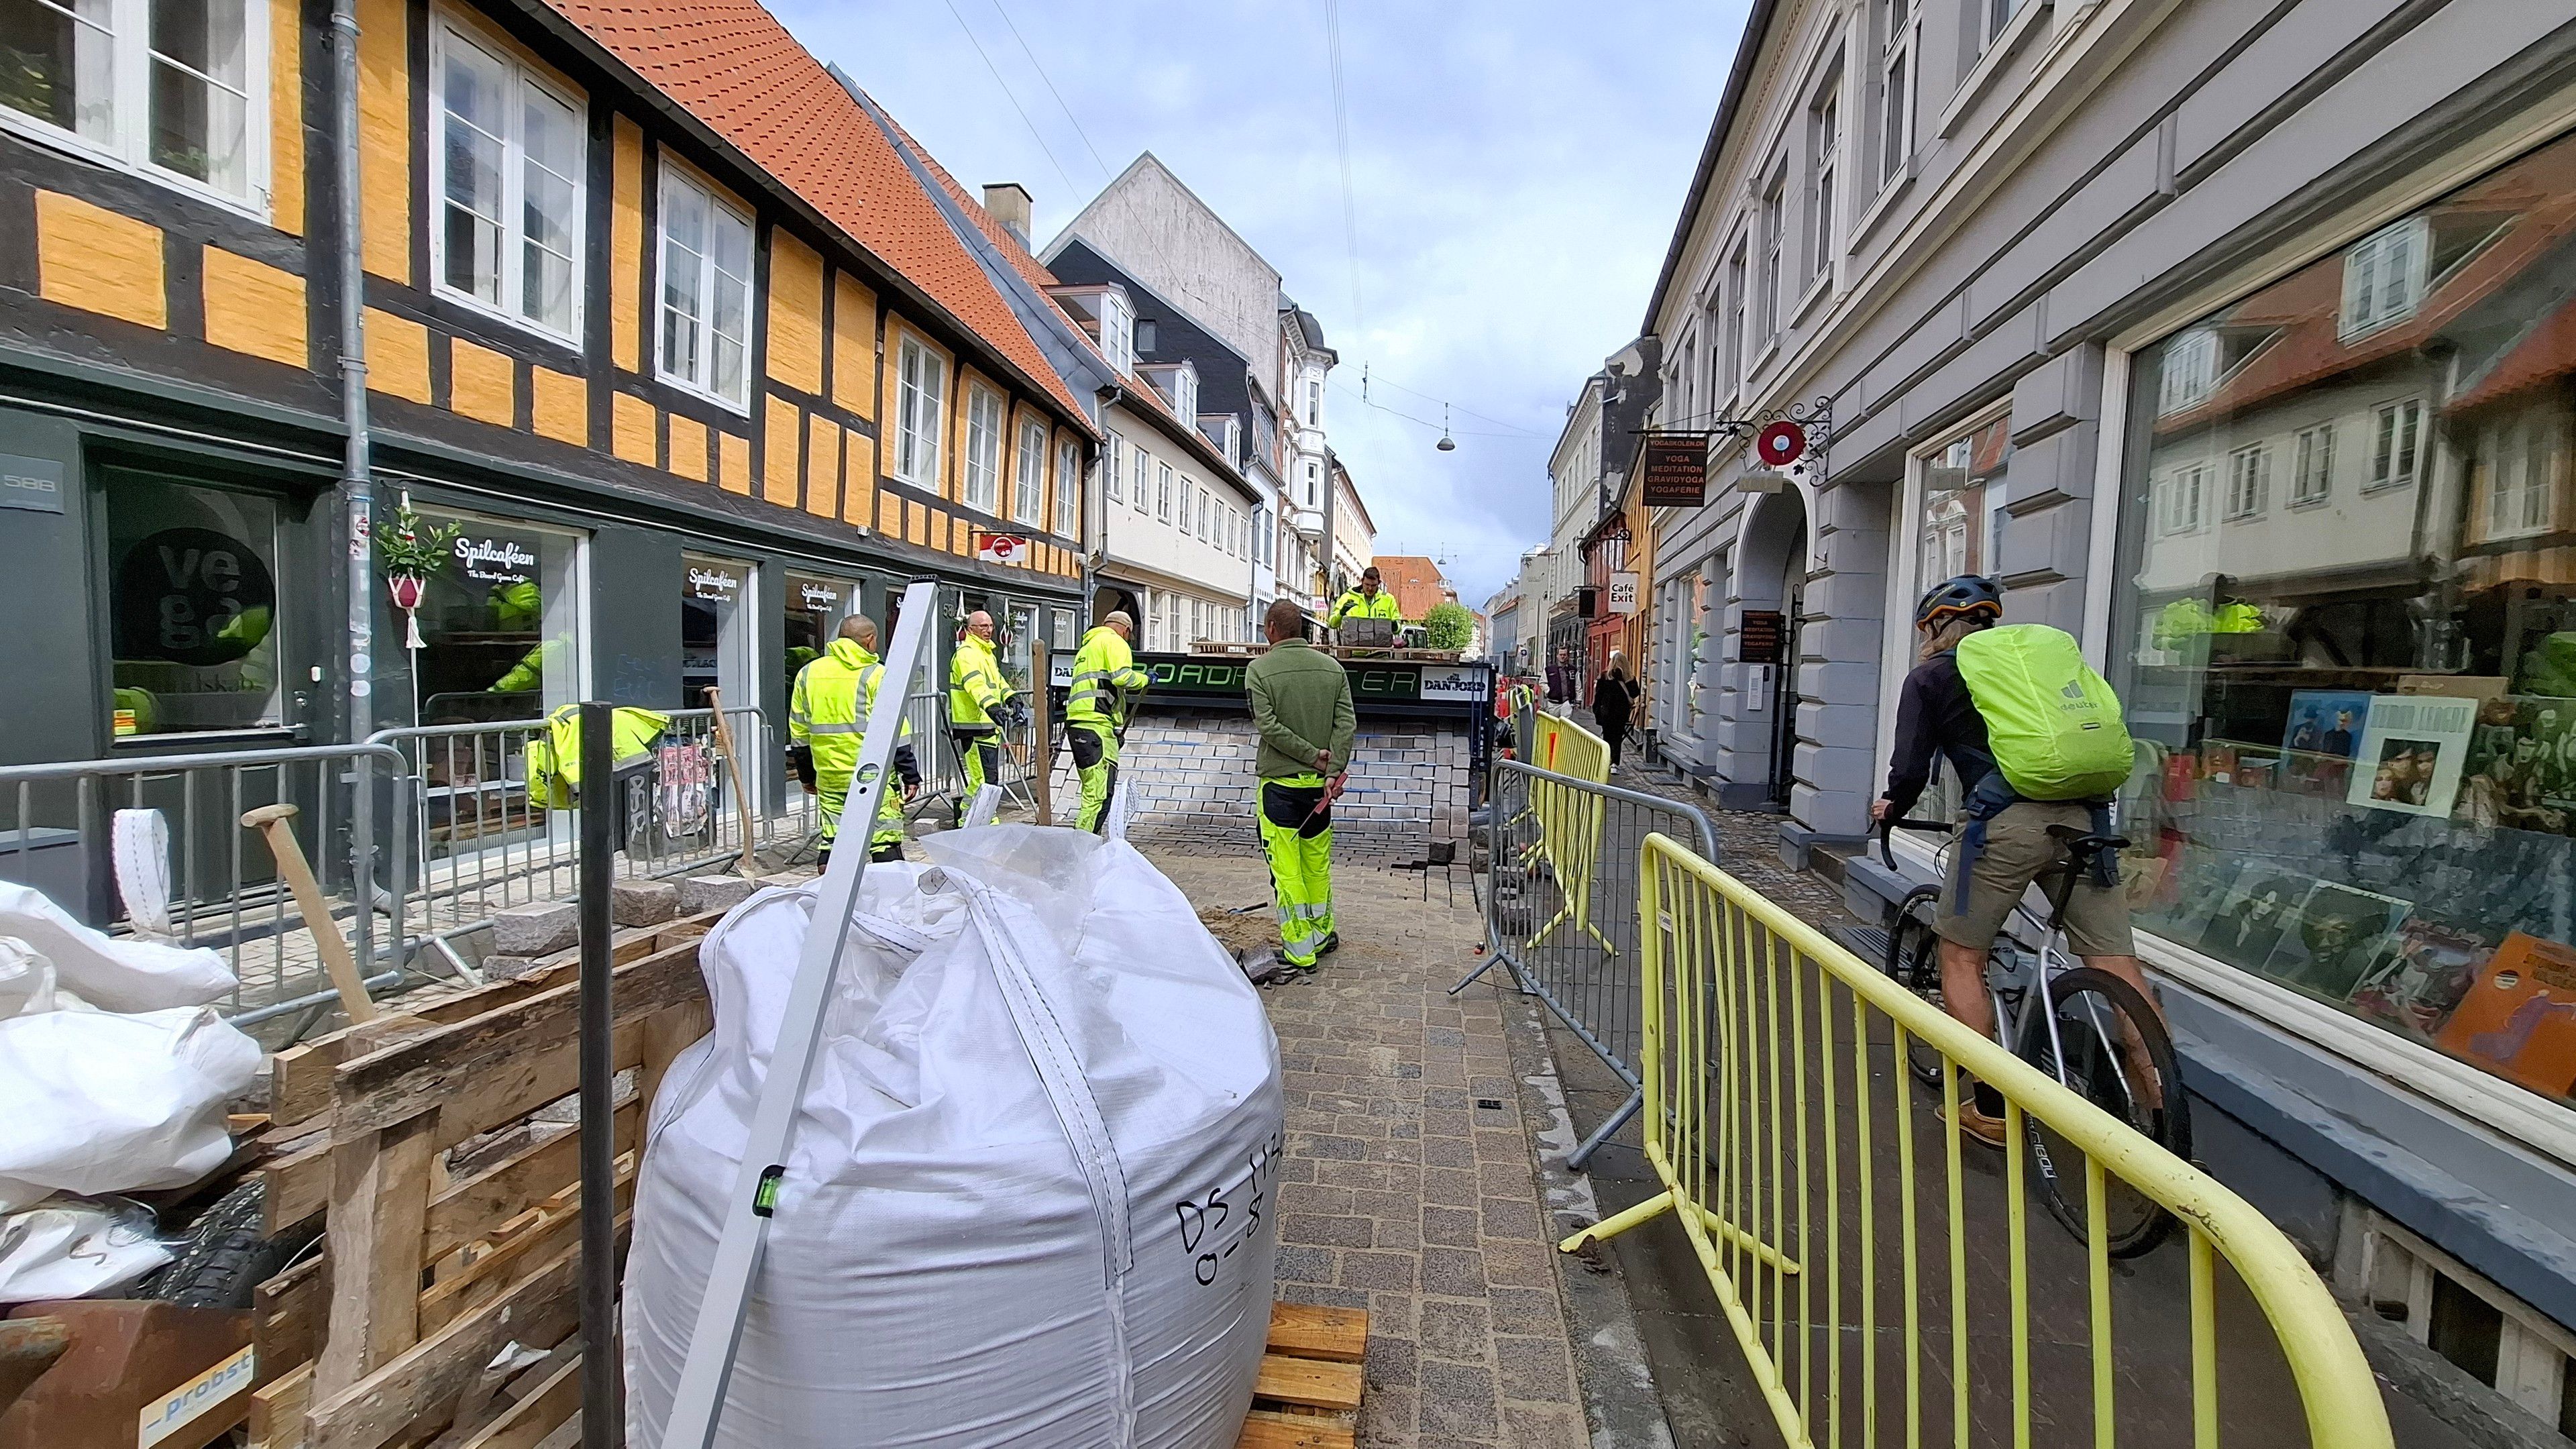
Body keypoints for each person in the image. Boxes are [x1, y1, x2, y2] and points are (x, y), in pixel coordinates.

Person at [1870, 575, 2154, 1146]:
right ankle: (2164, 1117)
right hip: (2086, 821)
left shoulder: (1932, 676)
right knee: (2119, 964)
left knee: (1961, 958)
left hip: (2004, 826)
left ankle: (1990, 1109)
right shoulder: (2033, 673)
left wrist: (1891, 808)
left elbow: (1911, 770)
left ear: (1932, 627)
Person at [1246, 598, 1357, 971]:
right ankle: (1323, 934)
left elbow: (1269, 727)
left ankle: (1300, 950)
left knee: (1287, 872)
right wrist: (1331, 770)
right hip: (1320, 793)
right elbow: (1346, 726)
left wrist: (1310, 755)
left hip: (1279, 787)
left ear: (1273, 629)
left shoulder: (1259, 671)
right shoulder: (1333, 669)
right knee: (1316, 866)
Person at [789, 615, 920, 865]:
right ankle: (886, 896)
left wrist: (806, 776)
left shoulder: (808, 674)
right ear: (870, 640)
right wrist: (909, 774)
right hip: (872, 775)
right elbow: (897, 731)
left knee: (833, 838)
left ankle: (830, 899)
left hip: (829, 775)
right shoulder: (878, 675)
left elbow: (799, 733)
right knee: (883, 837)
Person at [1066, 610, 1150, 833]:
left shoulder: (1088, 647)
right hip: (1096, 726)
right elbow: (1122, 677)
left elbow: (1099, 689)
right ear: (1126, 630)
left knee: (1091, 791)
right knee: (1100, 795)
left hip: (1079, 724)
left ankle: (1082, 843)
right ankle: (1083, 847)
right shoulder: (1115, 642)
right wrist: (1146, 679)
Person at [948, 610, 1014, 824]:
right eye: (983, 627)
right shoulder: (967, 653)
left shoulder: (986, 653)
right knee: (982, 780)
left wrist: (1012, 698)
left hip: (986, 725)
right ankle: (975, 825)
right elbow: (975, 685)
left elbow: (998, 682)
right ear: (970, 629)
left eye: (991, 626)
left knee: (989, 780)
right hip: (973, 725)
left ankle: (979, 823)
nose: (988, 631)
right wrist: (993, 707)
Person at [1591, 651, 1640, 770]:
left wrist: (1597, 711)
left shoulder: (1604, 676)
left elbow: (1598, 696)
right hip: (1621, 713)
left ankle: (1606, 761)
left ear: (1612, 662)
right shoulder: (1630, 678)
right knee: (1617, 738)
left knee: (1607, 737)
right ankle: (1615, 764)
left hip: (1606, 713)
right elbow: (1635, 694)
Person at [1324, 566, 1403, 631]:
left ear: (1379, 583)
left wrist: (1395, 626)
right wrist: (1341, 613)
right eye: (1367, 584)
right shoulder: (1347, 597)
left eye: (1373, 585)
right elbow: (1332, 624)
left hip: (1381, 648)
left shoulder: (1389, 599)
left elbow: (1398, 627)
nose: (1370, 588)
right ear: (1362, 581)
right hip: (1353, 648)